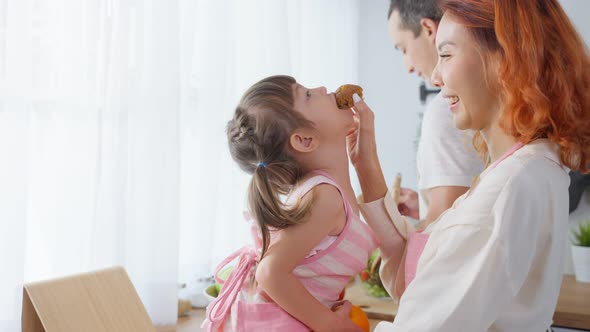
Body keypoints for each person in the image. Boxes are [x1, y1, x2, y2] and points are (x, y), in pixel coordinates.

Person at [348, 0, 590, 330]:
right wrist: (366, 166)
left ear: (506, 59)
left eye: (445, 54)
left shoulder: (509, 186)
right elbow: (430, 270)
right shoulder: (527, 168)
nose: (434, 75)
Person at [202, 75, 375, 332]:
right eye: (306, 94)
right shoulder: (324, 197)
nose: (322, 88)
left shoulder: (325, 192)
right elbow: (270, 271)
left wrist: (367, 138)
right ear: (304, 139)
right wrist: (329, 325)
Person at [386, 0, 483, 226]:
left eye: (404, 49)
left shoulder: (445, 110)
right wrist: (424, 204)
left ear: (429, 29)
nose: (408, 66)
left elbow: (444, 223)